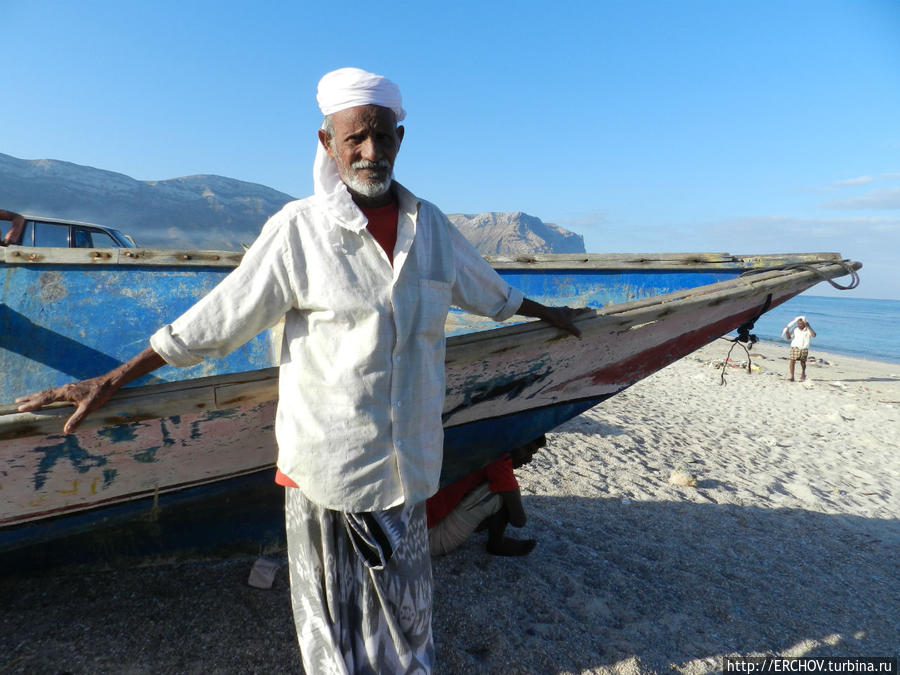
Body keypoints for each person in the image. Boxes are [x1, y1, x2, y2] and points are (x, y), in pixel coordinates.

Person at [15, 67, 582, 674]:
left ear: (401, 138)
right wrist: (114, 379)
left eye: (383, 136)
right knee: (331, 624)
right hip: (328, 466)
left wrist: (552, 312)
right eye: (355, 138)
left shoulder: (432, 227)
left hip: (410, 461)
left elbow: (486, 289)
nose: (370, 151)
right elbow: (217, 320)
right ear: (327, 143)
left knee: (408, 614)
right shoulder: (298, 232)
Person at [426, 435, 545, 557]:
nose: (529, 459)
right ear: (515, 441)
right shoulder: (498, 458)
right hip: (423, 541)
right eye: (528, 449)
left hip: (411, 530)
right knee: (499, 493)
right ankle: (497, 543)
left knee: (490, 485)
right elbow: (519, 520)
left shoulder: (478, 443)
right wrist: (511, 491)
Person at [782, 315, 816, 381]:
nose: (799, 325)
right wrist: (787, 331)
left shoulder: (808, 330)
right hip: (795, 347)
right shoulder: (795, 329)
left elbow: (814, 335)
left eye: (801, 323)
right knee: (792, 361)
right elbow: (789, 338)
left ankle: (803, 373)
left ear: (804, 323)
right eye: (798, 323)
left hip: (804, 348)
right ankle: (792, 377)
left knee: (803, 363)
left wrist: (809, 326)